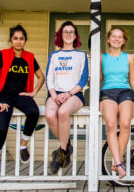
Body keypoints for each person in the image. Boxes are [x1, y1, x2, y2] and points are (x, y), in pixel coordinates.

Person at [0, 25, 45, 177]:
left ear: (25, 40)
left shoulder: (30, 57)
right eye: (15, 38)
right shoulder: (3, 54)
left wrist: (33, 92)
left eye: (21, 39)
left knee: (34, 112)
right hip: (4, 96)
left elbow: (41, 77)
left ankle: (23, 145)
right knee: (2, 129)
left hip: (20, 94)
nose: (18, 42)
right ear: (11, 40)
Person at [100, 27, 134, 179]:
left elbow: (132, 79)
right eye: (114, 36)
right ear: (108, 39)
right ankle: (119, 163)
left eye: (120, 37)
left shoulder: (129, 58)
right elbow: (99, 78)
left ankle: (117, 162)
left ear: (124, 41)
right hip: (108, 92)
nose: (117, 39)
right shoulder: (102, 57)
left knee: (125, 123)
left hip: (125, 92)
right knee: (111, 125)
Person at [45, 21, 88, 174]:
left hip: (74, 94)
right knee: (50, 114)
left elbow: (83, 79)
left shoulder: (81, 55)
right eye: (65, 32)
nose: (68, 34)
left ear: (75, 36)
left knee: (63, 112)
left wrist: (69, 93)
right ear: (60, 35)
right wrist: (54, 94)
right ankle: (67, 145)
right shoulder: (54, 55)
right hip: (55, 93)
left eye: (71, 32)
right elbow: (49, 77)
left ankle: (62, 152)